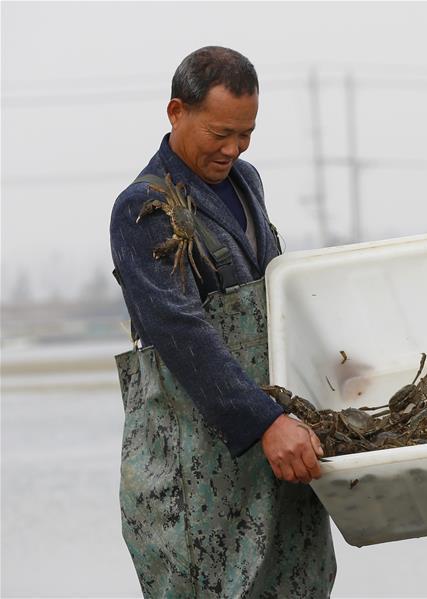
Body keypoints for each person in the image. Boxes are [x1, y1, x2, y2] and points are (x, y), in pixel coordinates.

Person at [110, 46, 336, 597]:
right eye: (220, 133)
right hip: (196, 460)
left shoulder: (246, 181)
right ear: (175, 112)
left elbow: (275, 292)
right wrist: (264, 422)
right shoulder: (145, 208)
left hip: (273, 446)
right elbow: (183, 333)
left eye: (246, 134)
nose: (233, 149)